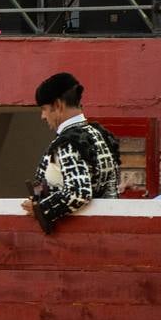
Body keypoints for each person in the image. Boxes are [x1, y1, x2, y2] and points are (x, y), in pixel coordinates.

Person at [22, 72, 121, 231]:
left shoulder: (69, 142)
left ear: (58, 105)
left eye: (44, 109)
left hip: (73, 235)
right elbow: (112, 192)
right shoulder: (101, 134)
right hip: (101, 231)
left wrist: (41, 208)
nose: (43, 116)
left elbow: (78, 193)